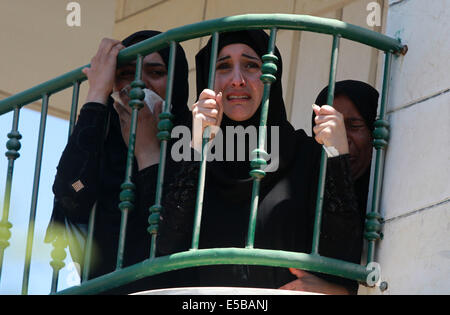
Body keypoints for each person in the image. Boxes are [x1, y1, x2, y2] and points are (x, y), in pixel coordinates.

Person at [134, 30, 363, 294]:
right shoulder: (191, 156)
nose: (237, 80)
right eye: (223, 67)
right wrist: (198, 147)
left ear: (271, 77)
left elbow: (343, 250)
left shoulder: (307, 155)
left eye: (251, 65)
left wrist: (338, 155)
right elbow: (167, 242)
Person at [44, 30, 191, 286]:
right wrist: (97, 94)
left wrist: (147, 152)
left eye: (155, 73)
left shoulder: (193, 143)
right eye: (125, 74)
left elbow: (171, 234)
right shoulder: (99, 144)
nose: (138, 84)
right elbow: (71, 190)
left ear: (176, 84)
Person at [313, 80, 379, 226]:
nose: (340, 138)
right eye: (331, 126)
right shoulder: (304, 194)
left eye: (354, 126)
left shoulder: (386, 199)